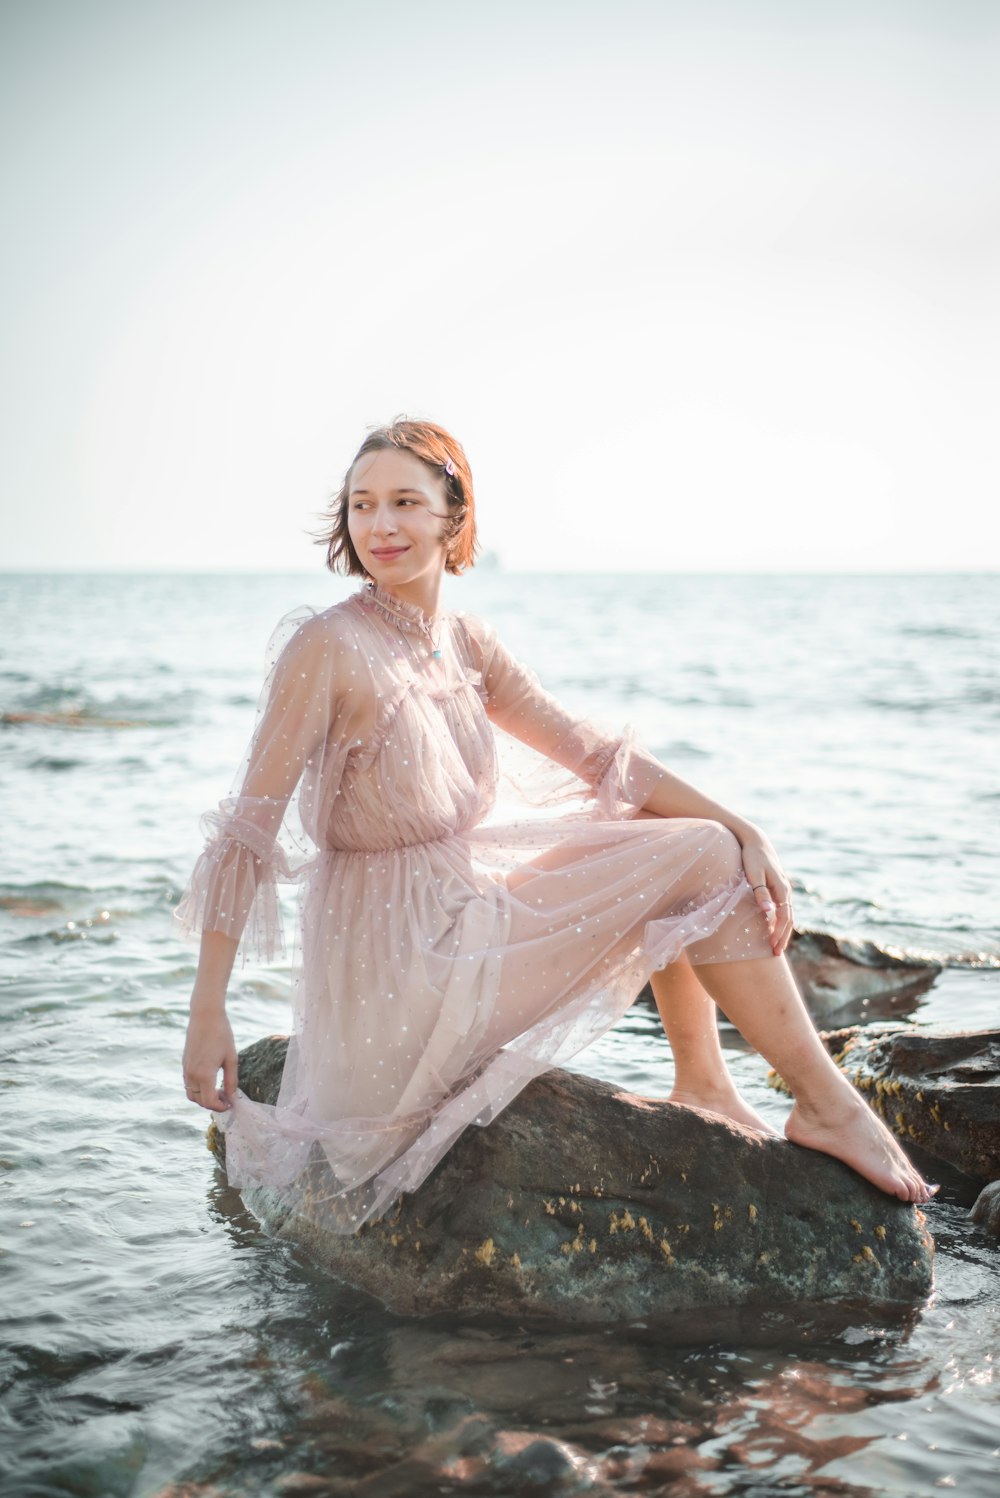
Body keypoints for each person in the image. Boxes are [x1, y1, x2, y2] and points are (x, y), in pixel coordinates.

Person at [179, 418, 935, 1233]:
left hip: (460, 921)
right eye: (362, 505)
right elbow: (245, 835)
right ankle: (823, 1104)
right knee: (691, 858)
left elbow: (596, 754)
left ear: (453, 516)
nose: (380, 526)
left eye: (405, 502)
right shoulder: (327, 645)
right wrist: (207, 1010)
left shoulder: (462, 641)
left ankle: (707, 1082)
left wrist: (744, 825)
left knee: (679, 838)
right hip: (396, 979)